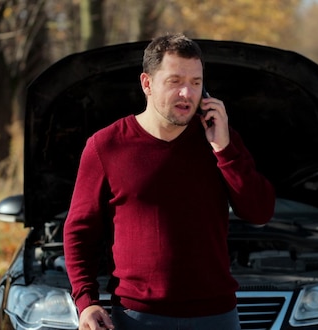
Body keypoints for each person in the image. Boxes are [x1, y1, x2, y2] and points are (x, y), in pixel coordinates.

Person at [63, 33, 276, 330]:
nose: (187, 93)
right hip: (136, 318)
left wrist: (224, 150)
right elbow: (79, 232)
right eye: (175, 81)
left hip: (216, 317)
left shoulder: (221, 140)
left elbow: (259, 211)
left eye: (196, 83)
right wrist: (86, 302)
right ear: (147, 84)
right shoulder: (106, 146)